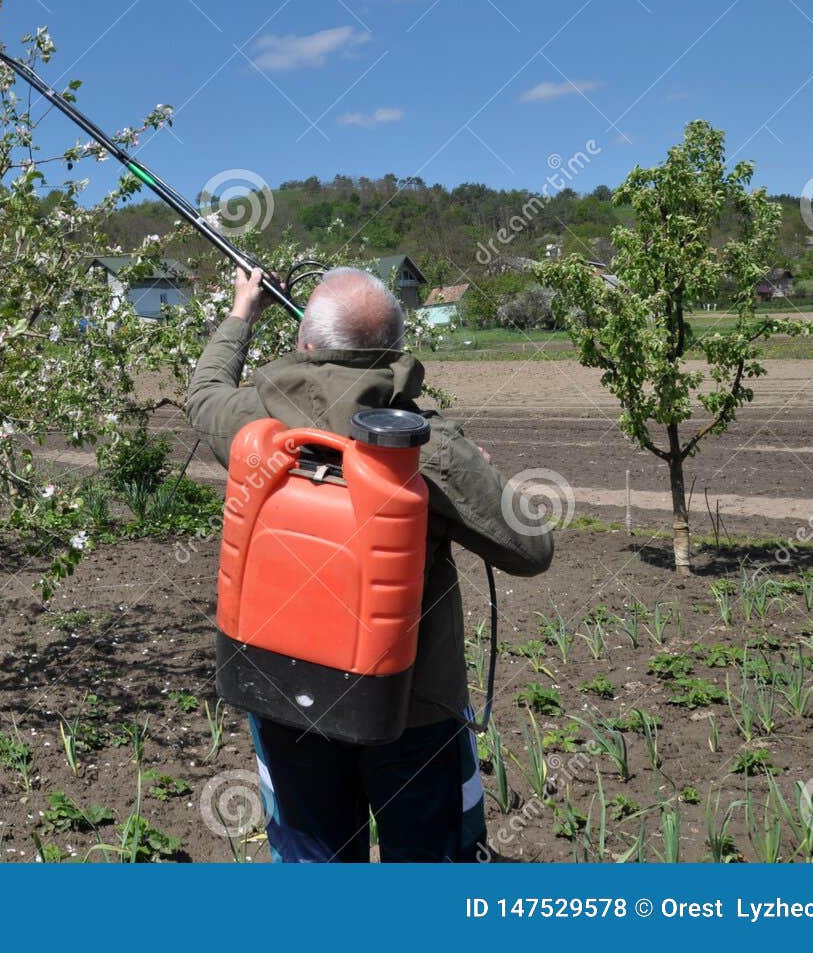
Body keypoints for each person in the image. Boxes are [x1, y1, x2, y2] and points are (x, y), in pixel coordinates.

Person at [187, 265, 555, 862]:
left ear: (305, 344)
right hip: (414, 709)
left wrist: (241, 311)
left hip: (286, 697)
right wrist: (478, 470)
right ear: (395, 352)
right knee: (433, 860)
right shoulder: (429, 449)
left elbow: (203, 391)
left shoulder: (250, 425)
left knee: (315, 864)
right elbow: (530, 551)